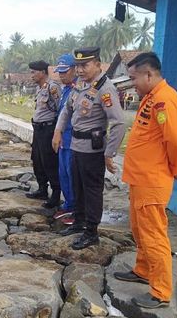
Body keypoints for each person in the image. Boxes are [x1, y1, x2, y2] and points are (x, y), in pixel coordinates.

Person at [114, 52, 177, 309]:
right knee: (139, 230)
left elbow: (176, 141)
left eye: (134, 78)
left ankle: (160, 292)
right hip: (139, 177)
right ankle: (143, 270)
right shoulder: (151, 98)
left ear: (149, 74)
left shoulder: (166, 100)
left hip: (152, 180)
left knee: (154, 235)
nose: (132, 82)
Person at [54, 47, 126, 250]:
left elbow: (119, 123)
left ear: (98, 64)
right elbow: (66, 110)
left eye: (84, 65)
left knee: (92, 191)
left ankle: (91, 231)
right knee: (77, 187)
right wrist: (58, 131)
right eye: (77, 66)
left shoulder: (105, 89)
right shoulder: (80, 85)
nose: (80, 70)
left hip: (93, 151)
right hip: (75, 146)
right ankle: (78, 222)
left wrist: (109, 153)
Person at [25, 60, 62, 209]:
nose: (31, 75)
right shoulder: (40, 88)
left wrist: (58, 132)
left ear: (42, 72)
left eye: (34, 72)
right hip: (38, 129)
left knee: (49, 161)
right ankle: (42, 189)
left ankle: (55, 194)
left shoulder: (53, 88)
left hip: (48, 129)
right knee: (37, 159)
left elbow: (60, 110)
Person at [51, 54, 77, 225]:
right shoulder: (64, 90)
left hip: (74, 140)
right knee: (64, 175)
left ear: (74, 69)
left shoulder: (78, 89)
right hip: (63, 139)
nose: (61, 75)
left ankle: (75, 209)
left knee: (73, 176)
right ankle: (68, 205)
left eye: (64, 71)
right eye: (59, 72)